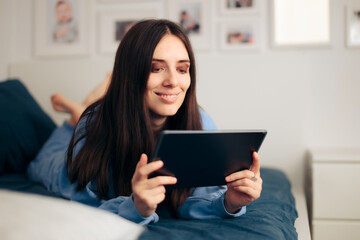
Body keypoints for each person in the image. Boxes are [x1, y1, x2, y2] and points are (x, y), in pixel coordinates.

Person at [27, 19, 262, 225]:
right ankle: (74, 117)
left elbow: (197, 198)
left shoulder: (199, 121)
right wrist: (136, 206)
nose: (173, 81)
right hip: (64, 162)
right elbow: (85, 208)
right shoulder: (95, 126)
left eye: (182, 69)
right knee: (37, 166)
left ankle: (84, 107)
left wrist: (229, 202)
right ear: (131, 74)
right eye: (156, 68)